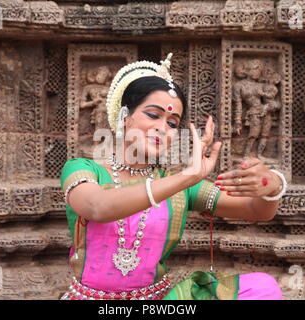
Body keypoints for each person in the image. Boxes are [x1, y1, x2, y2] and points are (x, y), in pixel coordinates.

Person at [60, 54, 286, 300]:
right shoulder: (83, 169)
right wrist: (186, 177)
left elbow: (256, 211)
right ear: (126, 116)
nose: (162, 128)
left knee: (263, 287)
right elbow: (97, 207)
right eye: (153, 115)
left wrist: (272, 184)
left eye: (172, 123)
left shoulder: (179, 186)